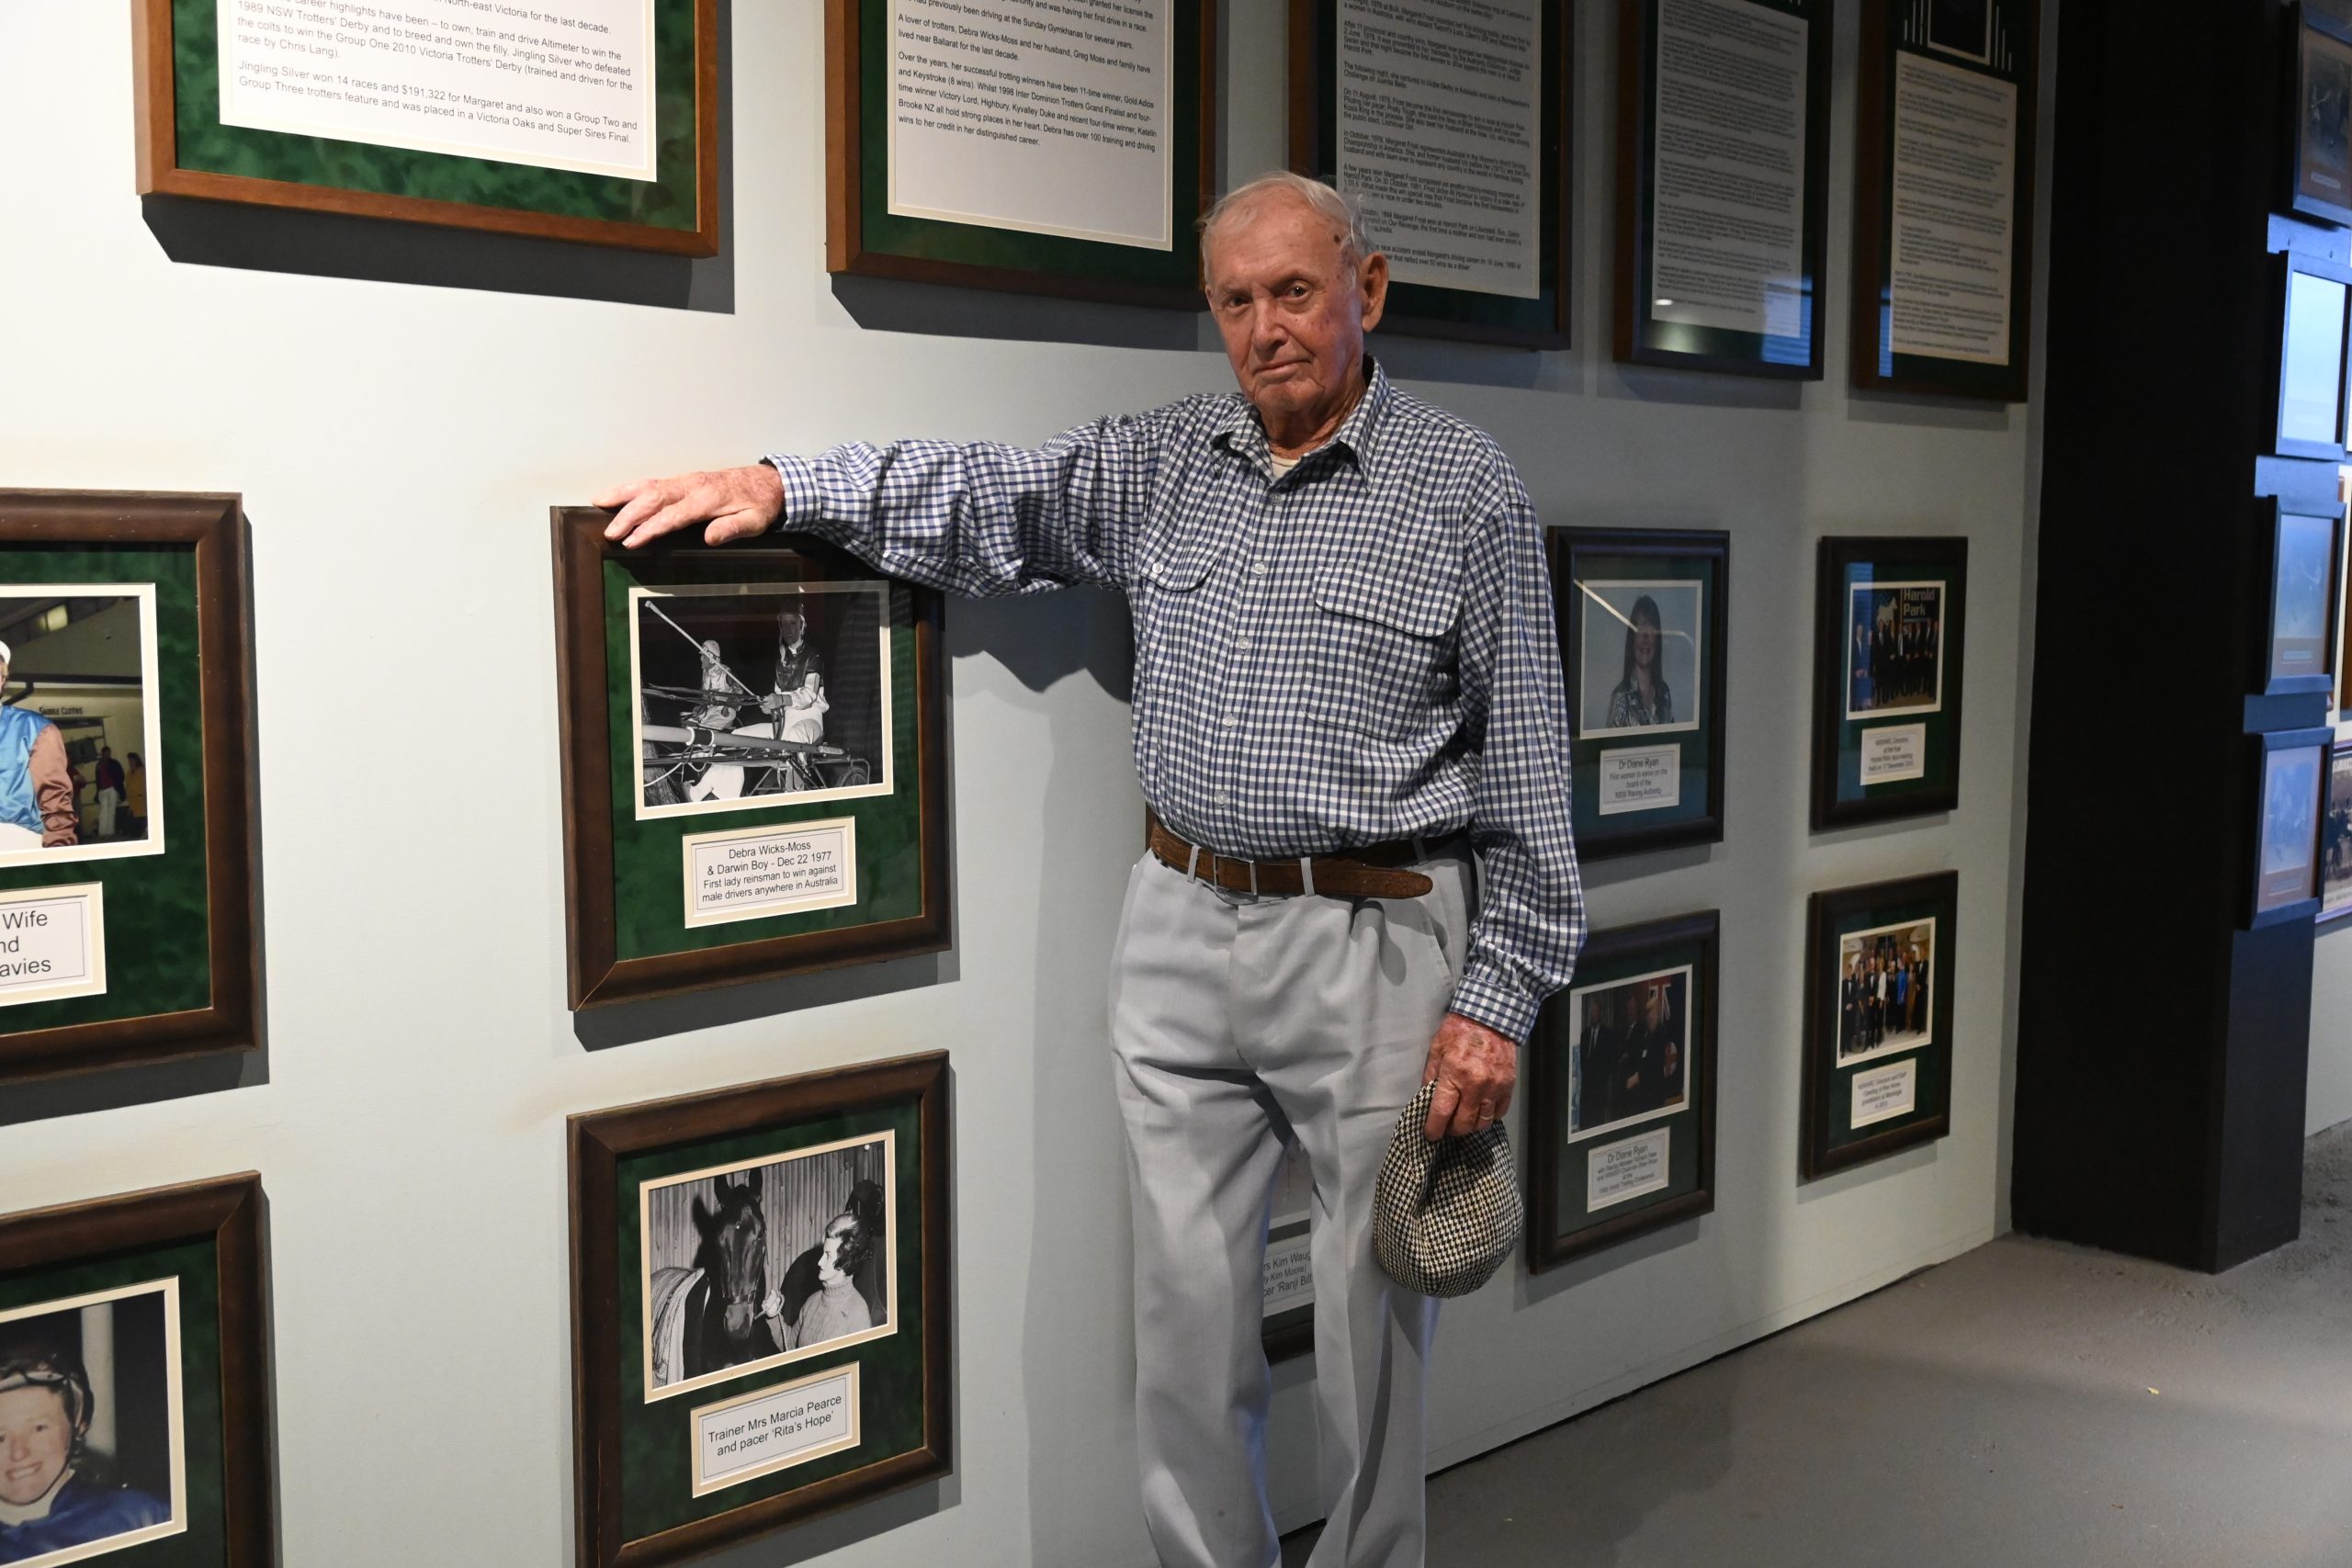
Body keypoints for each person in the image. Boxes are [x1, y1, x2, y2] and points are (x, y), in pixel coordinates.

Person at [595, 170, 1583, 1568]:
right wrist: (780, 484)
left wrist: (1502, 998)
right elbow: (988, 500)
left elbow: (1535, 772)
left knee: (1375, 1330)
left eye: (1294, 293)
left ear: (1366, 294)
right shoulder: (1162, 459)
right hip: (1178, 923)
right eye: (1235, 302)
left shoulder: (1463, 489)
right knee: (1181, 1319)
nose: (1265, 330)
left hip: (1373, 940)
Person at [0, 1344, 168, 1562]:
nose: (18, 1453)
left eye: (38, 1428)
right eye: (1, 1437)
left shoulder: (141, 1516)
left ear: (77, 1423)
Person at [0, 643, 77, 853]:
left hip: (15, 841)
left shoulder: (36, 729)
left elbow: (55, 801)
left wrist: (59, 857)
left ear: (2, 681)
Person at [1605, 594, 1673, 728]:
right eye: (1639, 629)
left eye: (1651, 629)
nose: (1645, 639)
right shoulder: (1620, 697)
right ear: (1632, 640)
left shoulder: (1664, 694)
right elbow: (1611, 748)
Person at [93, 748, 124, 839]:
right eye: (106, 753)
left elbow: (121, 775)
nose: (108, 754)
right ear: (102, 754)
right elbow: (98, 779)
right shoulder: (99, 765)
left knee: (111, 810)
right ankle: (102, 832)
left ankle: (110, 832)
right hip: (103, 790)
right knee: (104, 811)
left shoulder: (114, 763)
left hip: (112, 788)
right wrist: (98, 790)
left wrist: (116, 785)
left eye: (109, 752)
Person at [122, 751, 147, 840]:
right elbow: (127, 786)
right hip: (132, 800)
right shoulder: (129, 773)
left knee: (142, 818)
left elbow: (142, 785)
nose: (130, 763)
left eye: (132, 761)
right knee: (133, 819)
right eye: (129, 761)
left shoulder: (141, 771)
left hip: (140, 798)